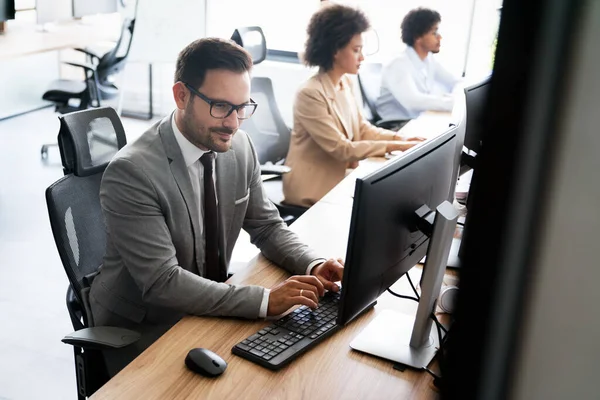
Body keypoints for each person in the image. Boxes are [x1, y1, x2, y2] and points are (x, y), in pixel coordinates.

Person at [89, 38, 344, 372]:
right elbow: (162, 282)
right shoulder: (132, 172)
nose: (234, 123)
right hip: (143, 327)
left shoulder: (239, 147)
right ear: (181, 95)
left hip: (207, 304)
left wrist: (312, 264)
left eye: (242, 108)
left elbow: (266, 226)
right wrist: (266, 300)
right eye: (221, 107)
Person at [282, 4, 424, 209]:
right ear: (334, 51)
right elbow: (342, 149)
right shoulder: (310, 93)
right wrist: (396, 147)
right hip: (312, 187)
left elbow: (362, 128)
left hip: (339, 175)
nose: (362, 57)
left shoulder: (345, 82)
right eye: (356, 50)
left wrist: (400, 138)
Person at [375, 7, 460, 125]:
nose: (439, 37)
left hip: (417, 121)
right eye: (434, 33)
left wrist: (456, 98)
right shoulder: (397, 64)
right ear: (418, 37)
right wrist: (453, 102)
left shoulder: (429, 60)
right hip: (396, 125)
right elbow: (413, 101)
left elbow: (456, 82)